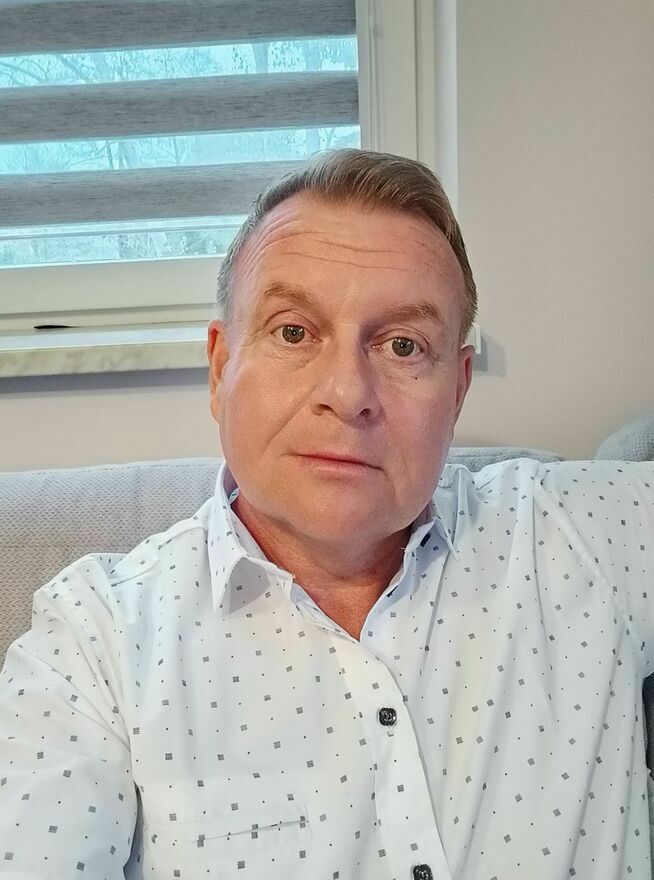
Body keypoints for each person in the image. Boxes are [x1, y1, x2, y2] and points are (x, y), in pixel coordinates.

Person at [0, 149, 652, 880]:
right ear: (220, 369)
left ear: (458, 390)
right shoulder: (95, 642)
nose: (347, 393)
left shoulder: (581, 534)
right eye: (293, 332)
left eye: (403, 345)